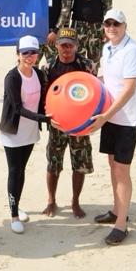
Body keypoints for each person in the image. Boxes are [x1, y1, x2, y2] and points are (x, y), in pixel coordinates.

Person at [87, 8, 136, 246]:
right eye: (108, 24)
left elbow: (129, 88)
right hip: (111, 116)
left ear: (125, 26)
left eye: (116, 24)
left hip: (127, 119)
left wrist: (104, 116)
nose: (112, 27)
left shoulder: (132, 50)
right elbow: (108, 80)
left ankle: (121, 224)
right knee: (112, 165)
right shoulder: (108, 48)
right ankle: (116, 209)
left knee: (122, 171)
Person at [41, 27, 96, 218]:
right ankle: (51, 200)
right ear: (56, 46)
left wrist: (92, 120)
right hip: (58, 124)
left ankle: (75, 202)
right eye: (63, 45)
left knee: (79, 164)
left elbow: (96, 93)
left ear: (76, 46)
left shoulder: (87, 65)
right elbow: (44, 96)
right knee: (53, 163)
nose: (66, 49)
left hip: (80, 125)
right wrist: (47, 119)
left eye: (70, 46)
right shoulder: (48, 67)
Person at [0, 35, 50, 234]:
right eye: (25, 52)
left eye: (33, 52)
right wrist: (43, 118)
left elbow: (43, 101)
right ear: (17, 54)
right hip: (14, 132)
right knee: (14, 170)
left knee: (22, 170)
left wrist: (45, 116)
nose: (29, 56)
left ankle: (17, 204)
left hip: (30, 131)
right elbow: (17, 108)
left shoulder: (38, 73)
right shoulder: (12, 77)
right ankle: (13, 215)